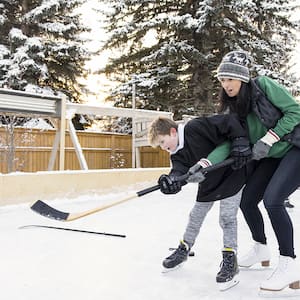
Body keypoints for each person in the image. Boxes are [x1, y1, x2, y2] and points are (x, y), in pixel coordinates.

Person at [216, 50, 300, 292]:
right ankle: (261, 248)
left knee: (273, 201)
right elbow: (228, 142)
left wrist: (269, 138)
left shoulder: (263, 86)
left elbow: (295, 111)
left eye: (230, 79)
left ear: (242, 78)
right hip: (271, 157)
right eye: (222, 79)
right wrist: (204, 165)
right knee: (248, 200)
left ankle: (290, 263)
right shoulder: (234, 107)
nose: (226, 84)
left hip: (294, 147)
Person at [148, 115, 254, 290]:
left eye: (162, 141)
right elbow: (179, 171)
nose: (163, 147)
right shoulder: (177, 154)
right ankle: (184, 249)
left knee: (227, 217)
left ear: (173, 132)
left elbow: (228, 122)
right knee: (196, 215)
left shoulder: (195, 127)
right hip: (209, 182)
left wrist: (240, 140)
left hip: (232, 174)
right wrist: (171, 181)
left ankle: (230, 259)